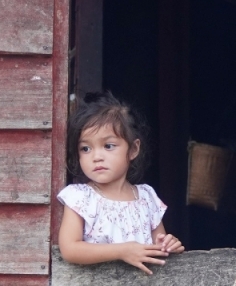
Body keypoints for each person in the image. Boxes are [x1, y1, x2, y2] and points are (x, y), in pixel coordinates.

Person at [57, 92, 185, 274]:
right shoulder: (80, 197)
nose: (96, 157)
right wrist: (122, 251)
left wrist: (168, 246)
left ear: (133, 149)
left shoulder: (146, 198)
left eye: (108, 146)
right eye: (86, 148)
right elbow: (70, 249)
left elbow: (158, 247)